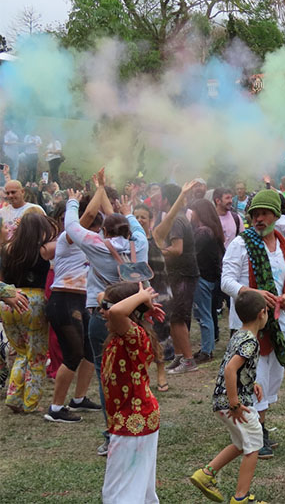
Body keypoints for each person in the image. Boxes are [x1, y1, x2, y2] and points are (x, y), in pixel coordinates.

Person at [64, 169, 149, 455]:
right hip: (136, 315)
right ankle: (137, 421)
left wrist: (73, 202)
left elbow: (72, 228)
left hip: (103, 315)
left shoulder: (97, 244)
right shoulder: (140, 243)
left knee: (106, 374)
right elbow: (132, 229)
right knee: (135, 372)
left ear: (103, 231)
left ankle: (113, 434)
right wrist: (129, 212)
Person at [221, 189, 285, 460]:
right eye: (255, 214)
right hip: (248, 324)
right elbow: (226, 281)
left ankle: (260, 429)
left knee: (273, 377)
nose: (259, 218)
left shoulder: (284, 245)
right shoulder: (241, 244)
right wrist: (251, 293)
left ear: (276, 216)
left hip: (276, 321)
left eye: (264, 213)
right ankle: (257, 433)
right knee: (255, 379)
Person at [189, 290, 268, 504]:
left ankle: (206, 474)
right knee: (253, 446)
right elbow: (230, 370)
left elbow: (234, 367)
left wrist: (253, 383)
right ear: (263, 313)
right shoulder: (250, 341)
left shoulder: (238, 335)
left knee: (241, 443)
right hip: (234, 404)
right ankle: (241, 498)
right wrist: (235, 401)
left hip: (220, 401)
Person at [98, 282, 162, 504]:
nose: (102, 311)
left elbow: (115, 310)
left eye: (106, 306)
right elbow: (106, 301)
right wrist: (145, 304)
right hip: (135, 419)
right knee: (139, 488)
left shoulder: (134, 337)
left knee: (118, 493)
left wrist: (143, 296)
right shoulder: (123, 333)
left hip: (133, 422)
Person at [44, 191, 104, 423]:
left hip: (80, 301)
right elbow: (89, 214)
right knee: (73, 354)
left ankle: (78, 399)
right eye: (92, 228)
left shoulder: (90, 242)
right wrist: (95, 190)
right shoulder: (68, 238)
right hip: (63, 301)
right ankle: (56, 408)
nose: (95, 232)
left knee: (91, 351)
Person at [0, 213, 57, 413]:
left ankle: (14, 397)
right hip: (33, 303)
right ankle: (30, 403)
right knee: (37, 355)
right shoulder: (44, 250)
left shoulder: (7, 249)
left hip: (8, 300)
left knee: (21, 353)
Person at [153, 182, 200, 375]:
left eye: (159, 196)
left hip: (183, 275)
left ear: (166, 199)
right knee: (173, 317)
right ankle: (180, 357)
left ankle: (189, 361)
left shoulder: (177, 221)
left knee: (179, 318)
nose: (156, 200)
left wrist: (156, 252)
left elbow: (177, 249)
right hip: (176, 275)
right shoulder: (172, 219)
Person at [132, 203, 170, 392]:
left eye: (143, 217)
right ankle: (142, 374)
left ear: (150, 219)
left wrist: (183, 195)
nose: (139, 220)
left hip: (158, 294)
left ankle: (161, 370)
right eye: (136, 217)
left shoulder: (155, 236)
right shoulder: (128, 240)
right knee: (141, 335)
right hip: (137, 295)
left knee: (158, 334)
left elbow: (170, 217)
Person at [190, 198, 226, 363]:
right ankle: (207, 347)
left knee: (204, 315)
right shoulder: (212, 230)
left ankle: (207, 351)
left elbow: (192, 254)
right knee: (207, 315)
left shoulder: (202, 232)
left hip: (202, 277)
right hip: (211, 278)